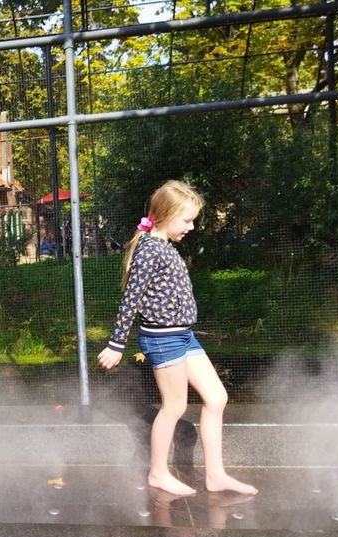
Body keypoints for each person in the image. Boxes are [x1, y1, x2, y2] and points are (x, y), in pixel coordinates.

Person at [97, 180, 257, 497]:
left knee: (217, 397)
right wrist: (116, 344)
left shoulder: (164, 247)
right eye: (187, 220)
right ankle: (158, 472)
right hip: (162, 340)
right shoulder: (148, 250)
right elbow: (131, 299)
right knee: (174, 406)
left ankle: (216, 475)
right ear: (166, 215)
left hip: (183, 336)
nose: (192, 226)